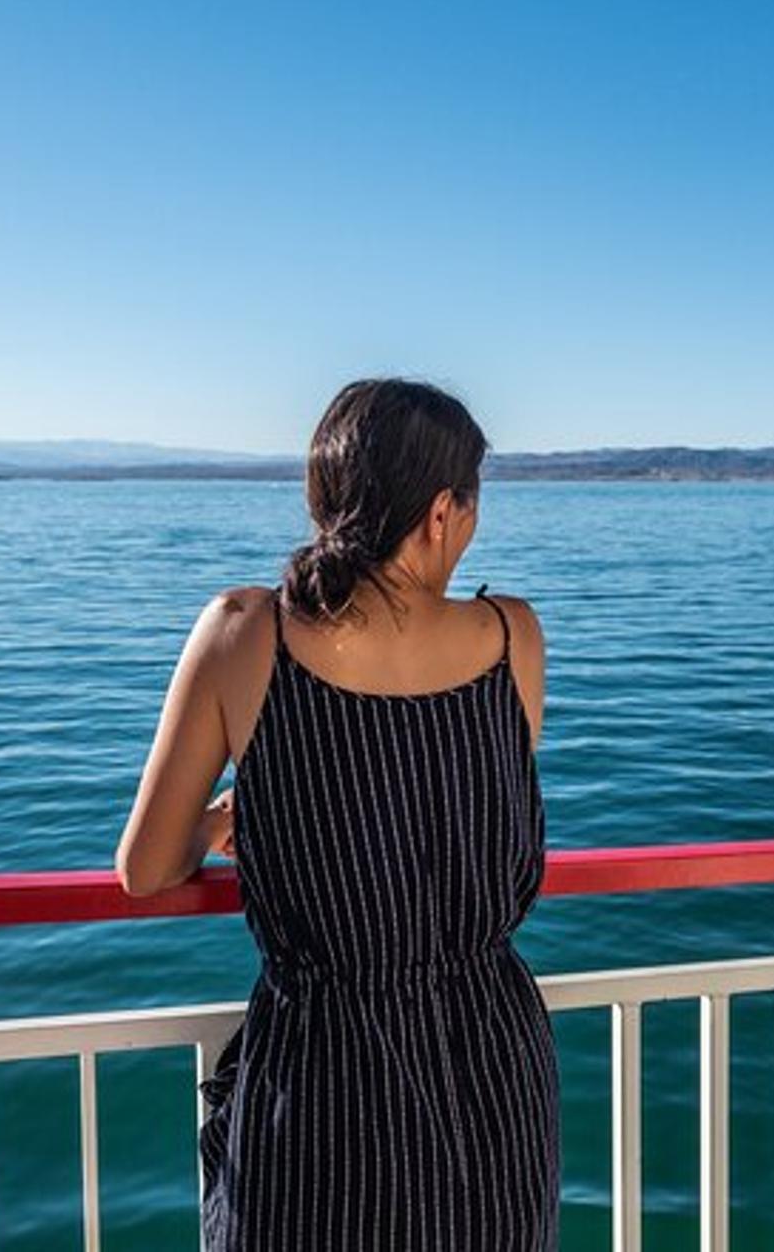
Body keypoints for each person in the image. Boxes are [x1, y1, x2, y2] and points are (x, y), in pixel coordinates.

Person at [114, 376, 559, 1249]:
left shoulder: (246, 632)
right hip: (493, 1081)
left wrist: (225, 822)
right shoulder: (512, 637)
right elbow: (451, 806)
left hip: (323, 1092)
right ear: (441, 514)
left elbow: (146, 868)